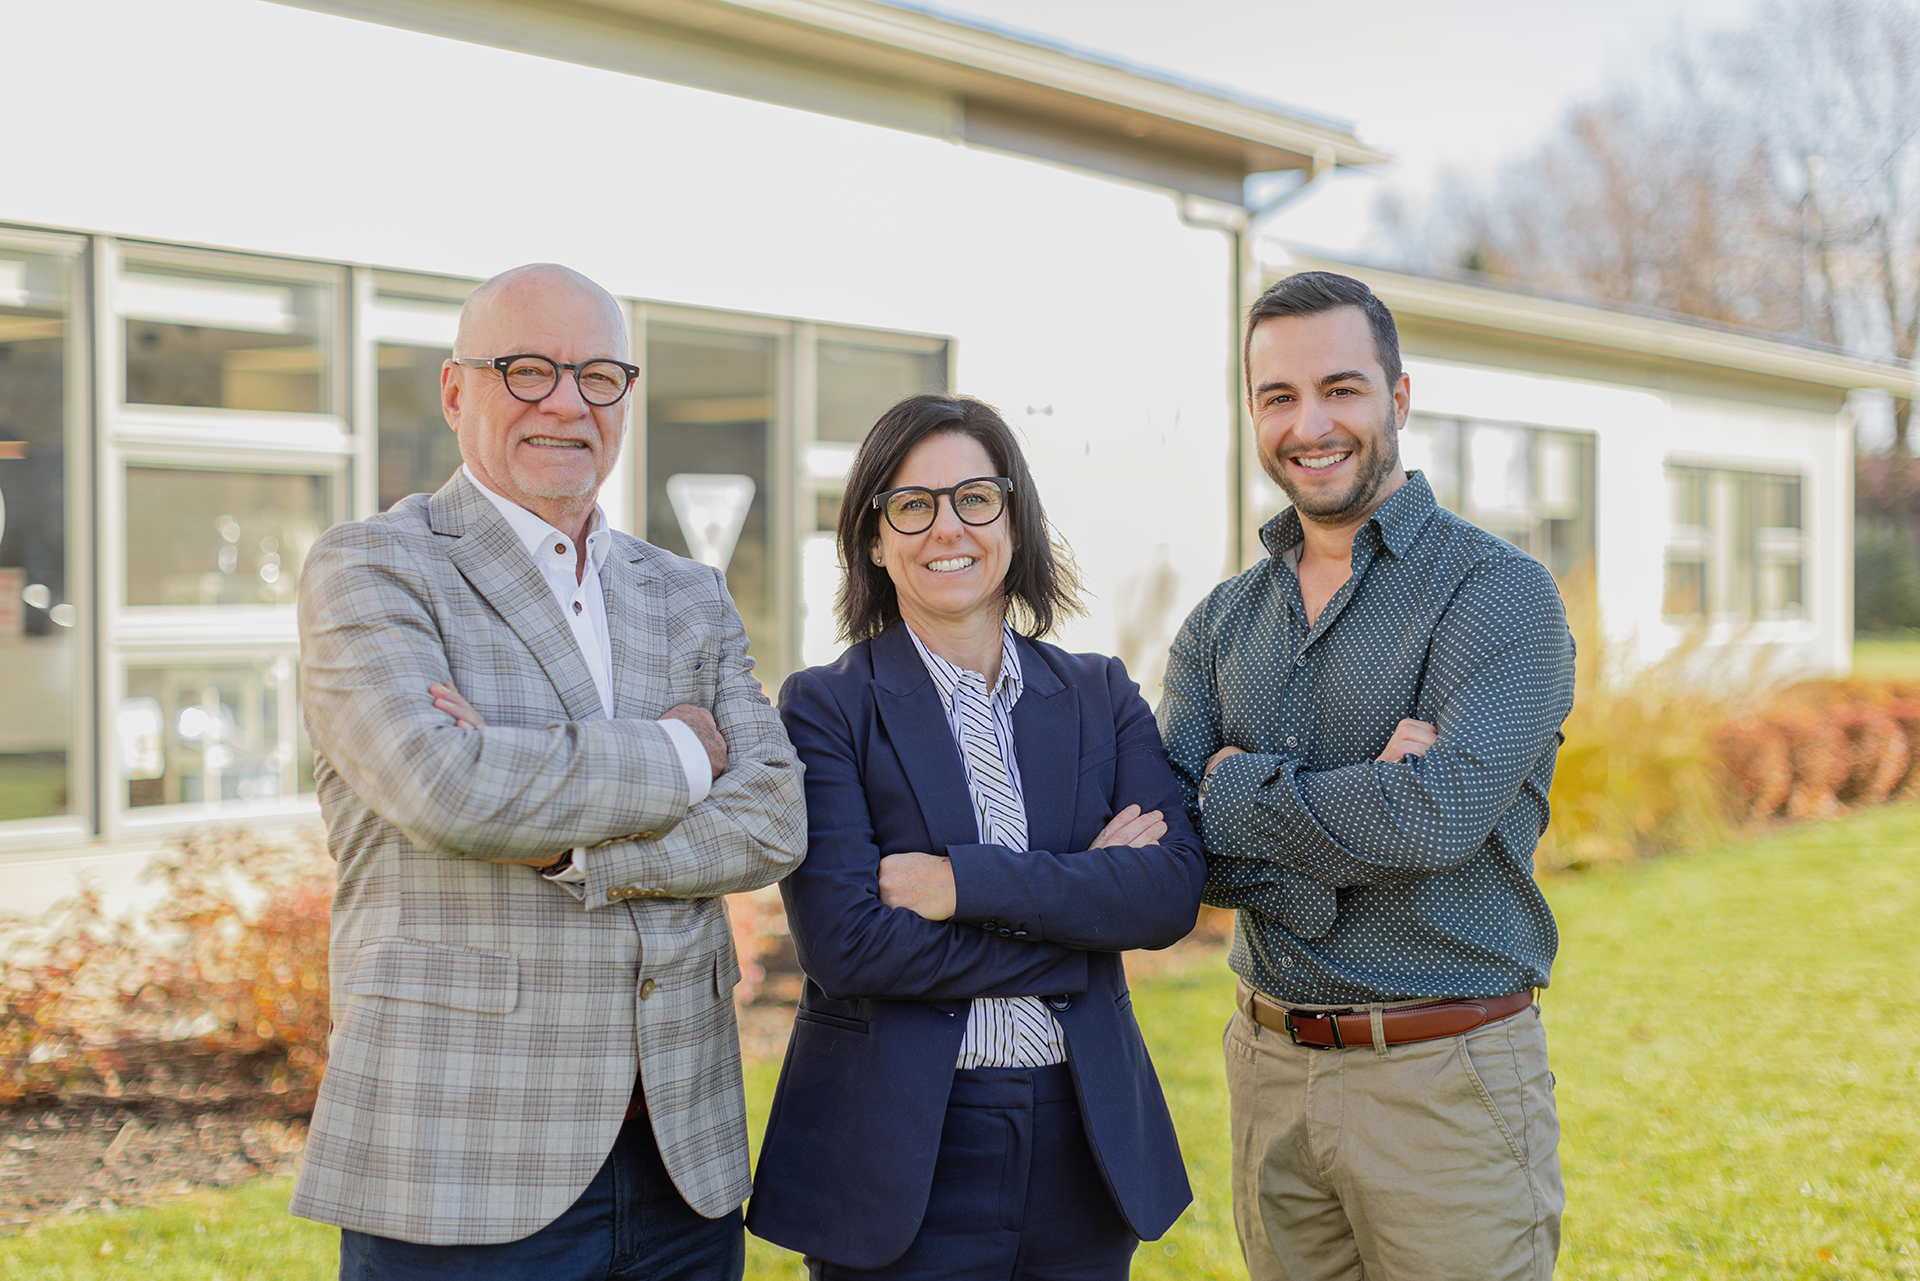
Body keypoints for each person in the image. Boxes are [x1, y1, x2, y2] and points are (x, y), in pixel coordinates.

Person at [291, 263, 806, 1280]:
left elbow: (773, 816)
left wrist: (570, 847)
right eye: (526, 371)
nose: (566, 402)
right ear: (456, 391)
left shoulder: (688, 594)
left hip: (680, 1160)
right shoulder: (373, 568)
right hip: (464, 1161)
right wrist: (679, 751)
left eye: (598, 376)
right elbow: (446, 789)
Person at [1157, 271, 1577, 1281]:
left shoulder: (1497, 593)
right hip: (1267, 1075)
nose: (1311, 424)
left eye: (1341, 388)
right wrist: (1352, 812)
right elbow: (1169, 843)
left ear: (1397, 397)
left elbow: (1435, 820)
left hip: (1444, 1082)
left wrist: (1239, 793)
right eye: (1279, 397)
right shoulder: (1220, 623)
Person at [746, 394, 1206, 1279]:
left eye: (974, 498)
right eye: (912, 505)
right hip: (899, 1156)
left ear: (1014, 519)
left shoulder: (1100, 693)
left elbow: (1168, 891)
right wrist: (1078, 914)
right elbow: (848, 946)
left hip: (1084, 1144)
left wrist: (964, 885)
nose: (945, 527)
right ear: (874, 538)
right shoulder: (825, 705)